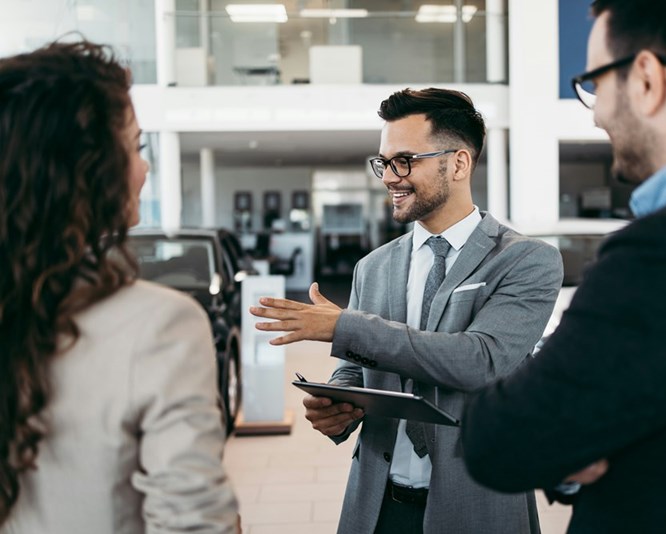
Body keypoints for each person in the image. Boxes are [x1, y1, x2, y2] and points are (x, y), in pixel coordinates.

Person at [462, 1, 666, 532]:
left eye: (595, 84)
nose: (596, 112)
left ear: (646, 78)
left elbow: (501, 440)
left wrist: (578, 439)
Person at [249, 88, 563, 533]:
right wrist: (338, 404)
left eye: (405, 161)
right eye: (384, 163)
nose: (390, 177)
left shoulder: (526, 260)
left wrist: (344, 326)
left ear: (458, 163)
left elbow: (479, 361)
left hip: (478, 508)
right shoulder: (373, 267)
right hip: (378, 506)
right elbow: (355, 369)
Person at [0, 41, 238, 533]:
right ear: (85, 170)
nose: (144, 168)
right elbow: (193, 525)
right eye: (135, 147)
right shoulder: (159, 324)